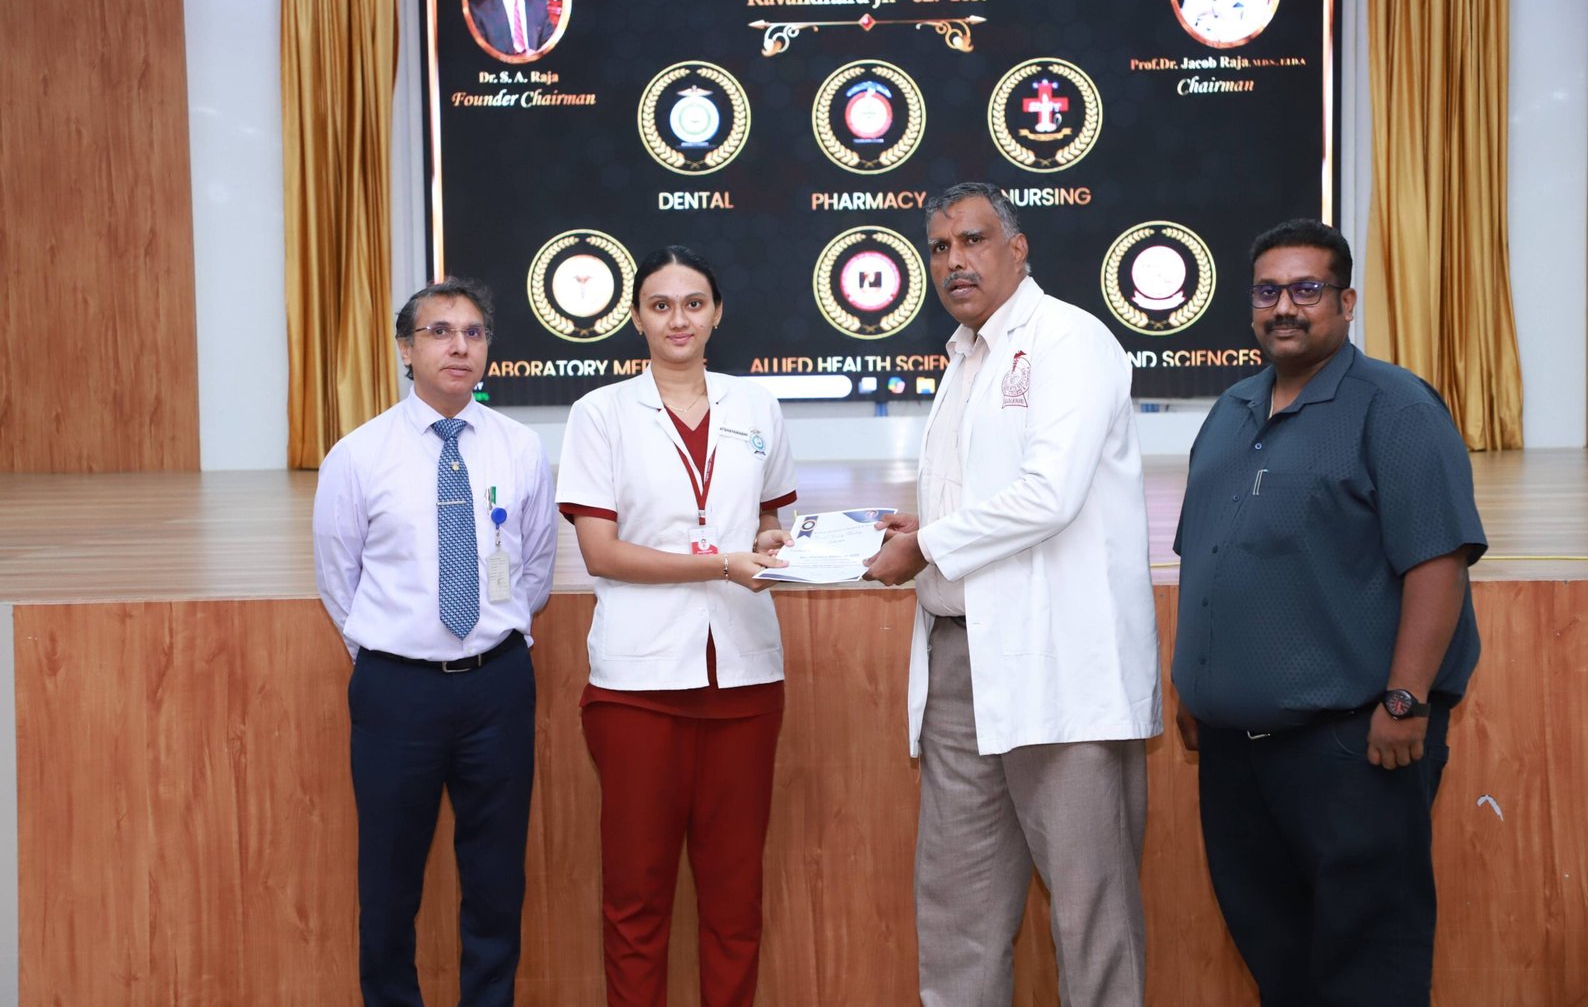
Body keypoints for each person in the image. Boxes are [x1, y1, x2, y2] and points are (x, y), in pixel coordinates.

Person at [1171, 219, 1486, 1006]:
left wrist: (1405, 701)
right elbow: (1205, 555)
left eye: (1307, 289)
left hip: (1353, 749)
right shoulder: (1231, 410)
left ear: (1346, 303)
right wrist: (1194, 688)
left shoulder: (1395, 407)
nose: (1285, 307)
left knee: (1367, 967)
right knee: (1278, 961)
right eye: (1268, 291)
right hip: (1237, 755)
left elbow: (1437, 562)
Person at [863, 182, 1162, 1007]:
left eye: (974, 240)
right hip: (959, 667)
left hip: (1058, 668)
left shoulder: (1069, 339)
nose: (955, 261)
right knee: (957, 915)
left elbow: (1048, 496)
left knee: (1091, 917)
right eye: (939, 248)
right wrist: (925, 528)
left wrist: (928, 544)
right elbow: (987, 501)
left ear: (1017, 248)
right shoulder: (964, 356)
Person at [555, 246, 797, 1007]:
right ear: (637, 318)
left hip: (745, 680)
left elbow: (770, 519)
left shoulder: (757, 407)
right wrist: (722, 563)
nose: (678, 319)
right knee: (636, 899)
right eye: (660, 306)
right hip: (639, 686)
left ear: (717, 313)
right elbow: (601, 552)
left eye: (693, 303)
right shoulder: (600, 413)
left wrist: (770, 544)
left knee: (735, 901)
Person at [312, 278, 557, 1007]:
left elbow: (535, 569)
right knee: (389, 882)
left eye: (474, 333)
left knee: (496, 878)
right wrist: (396, 651)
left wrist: (489, 641)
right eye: (440, 332)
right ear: (405, 349)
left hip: (497, 687)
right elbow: (338, 578)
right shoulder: (358, 455)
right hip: (398, 691)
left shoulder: (521, 448)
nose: (459, 346)